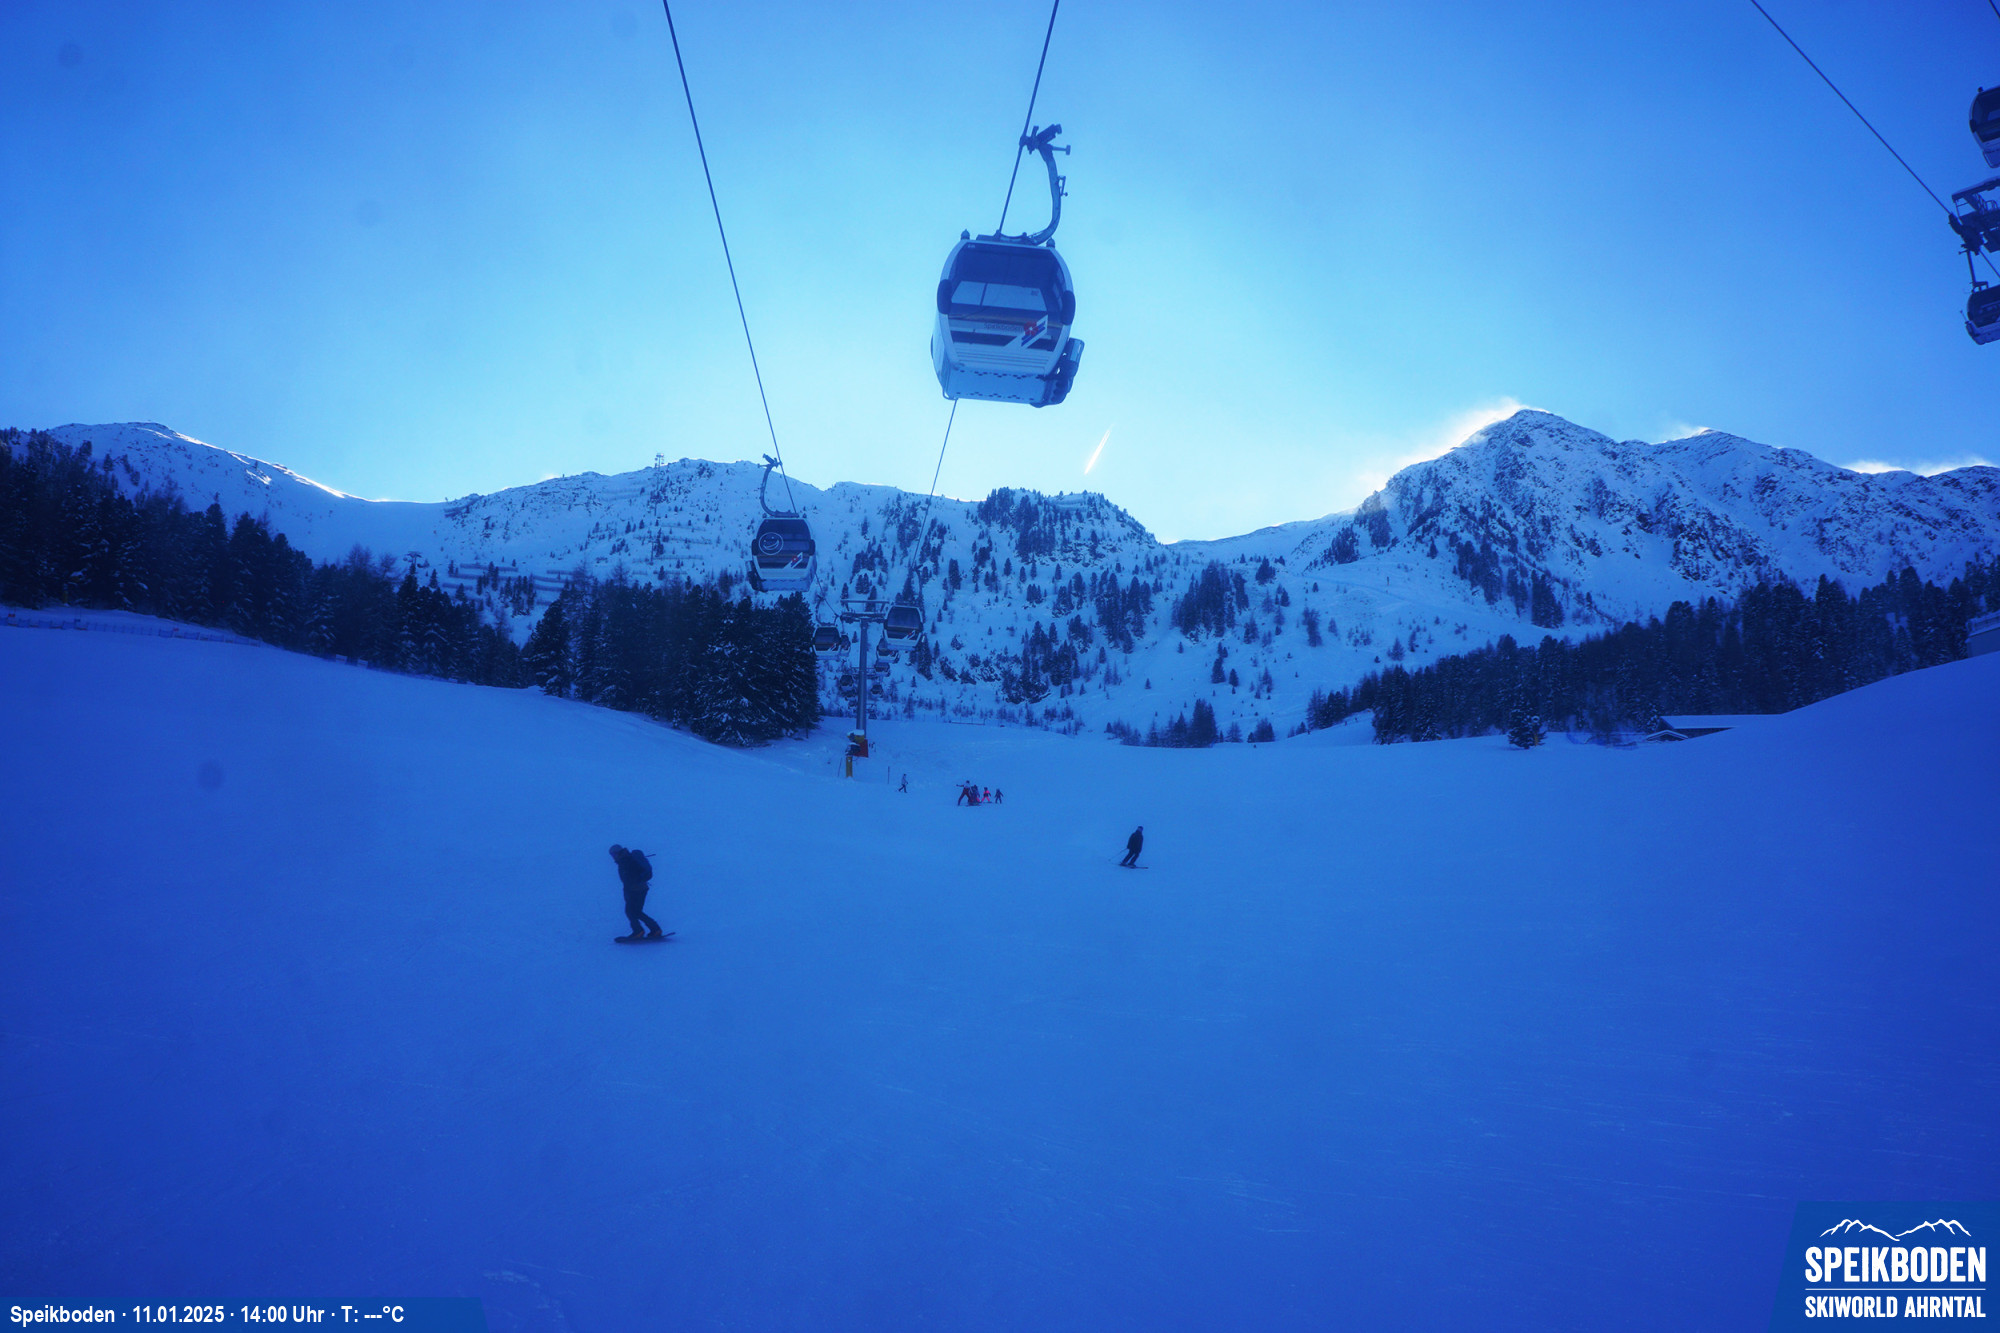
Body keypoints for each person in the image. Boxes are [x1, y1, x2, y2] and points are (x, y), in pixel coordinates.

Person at [609, 843, 664, 941]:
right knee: (635, 911)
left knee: (632, 911)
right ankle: (654, 929)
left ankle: (639, 931)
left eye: (613, 854)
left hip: (636, 890)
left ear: (617, 853)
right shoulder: (625, 859)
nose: (612, 857)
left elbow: (631, 877)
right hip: (639, 889)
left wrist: (631, 886)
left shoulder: (626, 860)